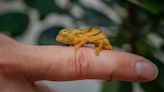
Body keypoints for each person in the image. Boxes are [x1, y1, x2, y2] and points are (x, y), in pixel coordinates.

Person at [0, 33, 158, 92]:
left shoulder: (76, 37)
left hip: (100, 41)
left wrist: (87, 51)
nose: (62, 39)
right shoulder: (73, 37)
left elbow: (87, 39)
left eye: (64, 37)